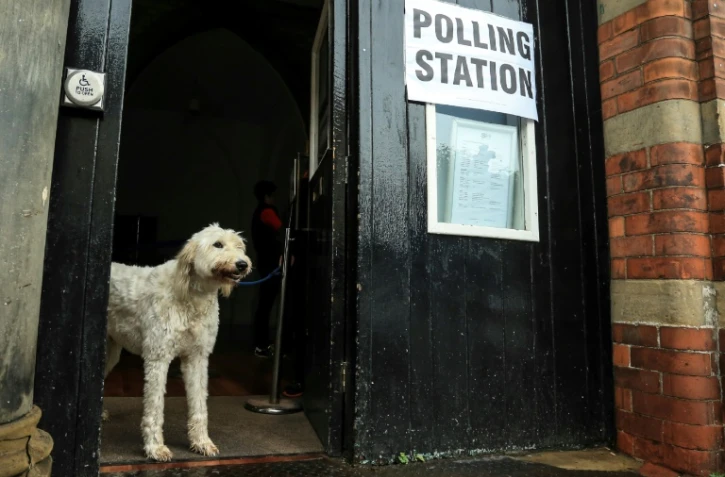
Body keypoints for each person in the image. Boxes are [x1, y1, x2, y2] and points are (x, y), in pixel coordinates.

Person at [251, 180, 283, 359]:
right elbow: (281, 230)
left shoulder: (258, 212)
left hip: (266, 263)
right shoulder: (267, 212)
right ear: (267, 196)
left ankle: (261, 344)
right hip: (271, 264)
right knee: (266, 305)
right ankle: (261, 345)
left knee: (265, 304)